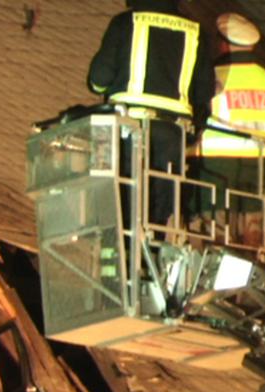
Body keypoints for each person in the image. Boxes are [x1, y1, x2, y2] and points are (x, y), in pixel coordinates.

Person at [88, 0, 214, 228]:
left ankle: (120, 252)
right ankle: (153, 252)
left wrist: (101, 88)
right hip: (173, 134)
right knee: (159, 208)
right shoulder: (195, 31)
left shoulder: (125, 22)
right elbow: (204, 91)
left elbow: (99, 79)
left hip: (128, 128)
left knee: (121, 201)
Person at [188, 12, 265, 246]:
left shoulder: (213, 77)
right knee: (251, 240)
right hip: (261, 171)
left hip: (216, 168)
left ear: (222, 43)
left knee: (217, 240)